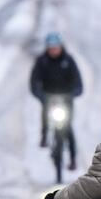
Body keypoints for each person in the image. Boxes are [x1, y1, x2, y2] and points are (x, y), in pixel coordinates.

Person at [30, 32, 83, 170]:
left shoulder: (69, 60)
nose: (54, 50)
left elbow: (78, 82)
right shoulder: (42, 61)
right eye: (51, 47)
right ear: (47, 48)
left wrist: (75, 93)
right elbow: (34, 81)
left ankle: (72, 159)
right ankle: (44, 137)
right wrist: (39, 94)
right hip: (49, 97)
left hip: (66, 99)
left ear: (61, 47)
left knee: (68, 128)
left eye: (56, 47)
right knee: (45, 117)